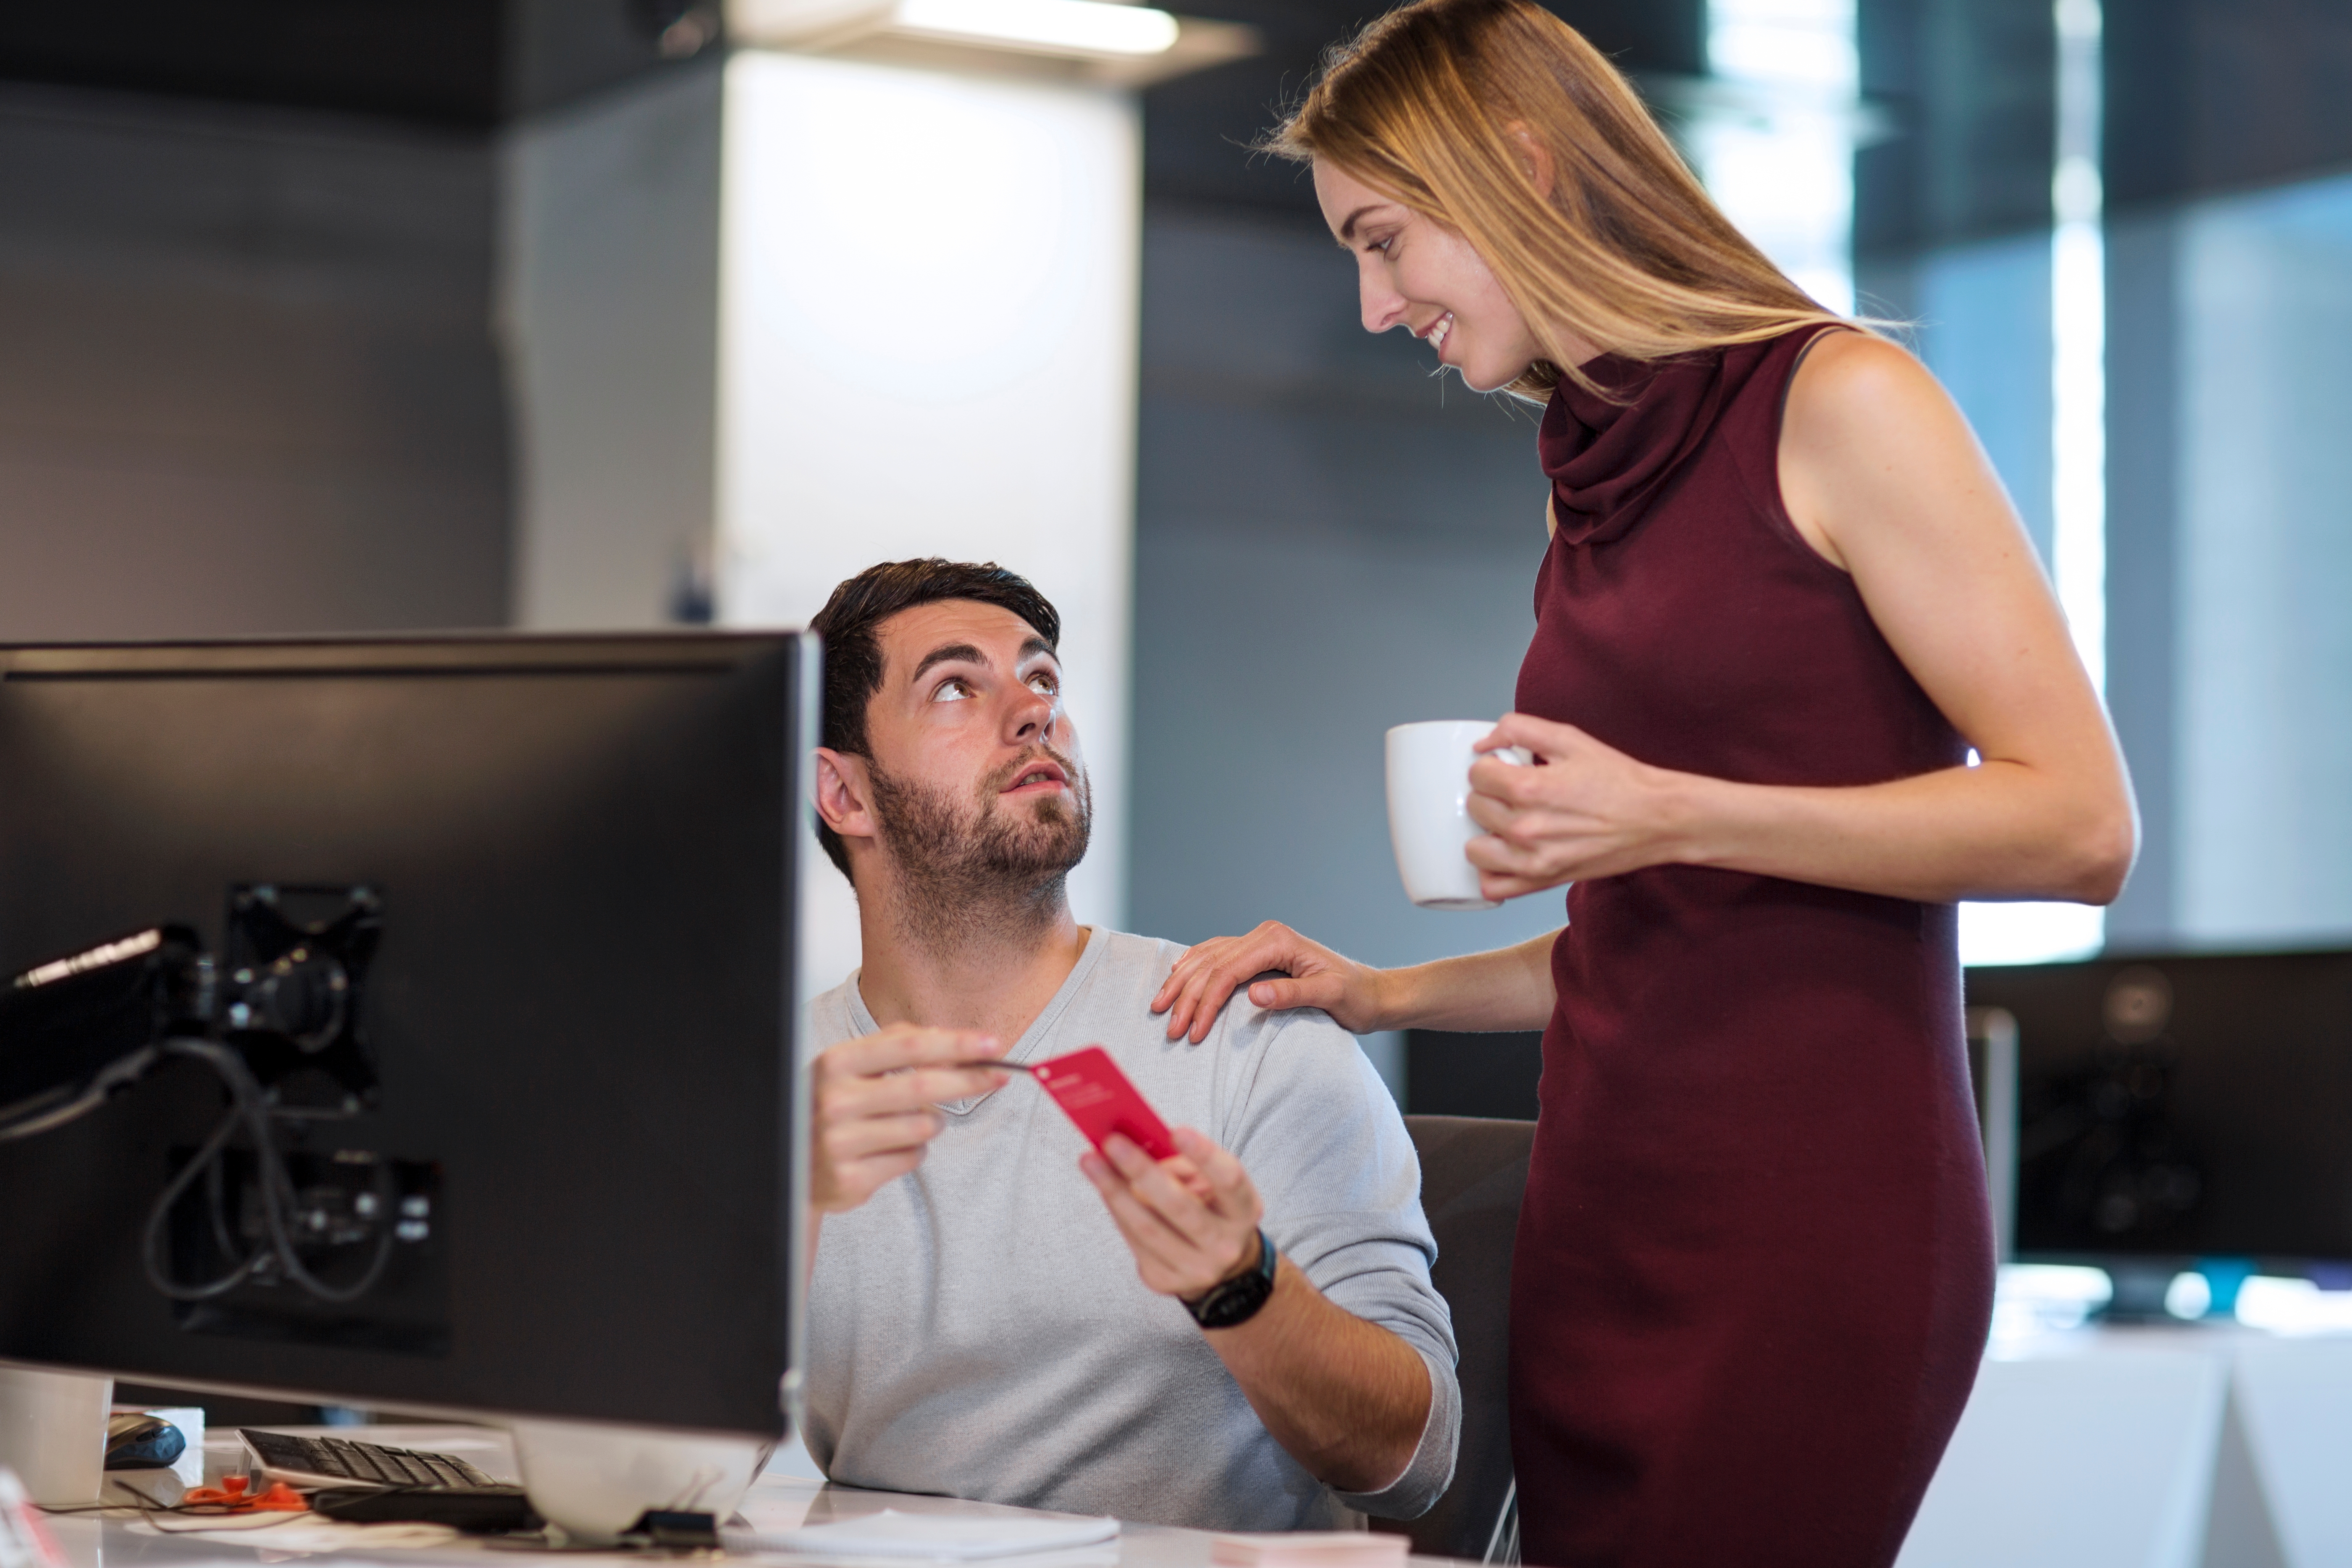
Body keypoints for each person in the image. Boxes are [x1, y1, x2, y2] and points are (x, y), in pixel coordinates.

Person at [1146, 2, 2139, 1565]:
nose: (1372, 303)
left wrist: (1669, 810)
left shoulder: (1841, 404)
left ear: (1527, 173)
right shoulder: (1585, 488)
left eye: (1388, 240)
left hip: (1812, 1219)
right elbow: (1659, 937)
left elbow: (2080, 825)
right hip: (1605, 1209)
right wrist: (1384, 993)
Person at [798, 557, 1460, 1531]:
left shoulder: (1247, 1035)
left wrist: (1242, 1286)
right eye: (954, 686)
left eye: (1041, 679)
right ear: (843, 794)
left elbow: (1414, 1460)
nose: (1033, 713)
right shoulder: (782, 1092)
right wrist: (784, 1206)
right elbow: (643, 1468)